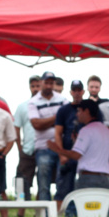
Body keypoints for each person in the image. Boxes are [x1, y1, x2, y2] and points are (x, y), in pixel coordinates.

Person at [47, 99, 109, 214]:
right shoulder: (105, 130)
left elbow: (76, 155)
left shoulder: (86, 130)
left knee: (86, 215)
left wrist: (58, 150)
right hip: (105, 178)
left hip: (88, 178)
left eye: (79, 111)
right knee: (103, 214)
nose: (77, 114)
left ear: (86, 111)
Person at [28, 71, 66, 201]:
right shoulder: (33, 102)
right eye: (47, 82)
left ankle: (61, 215)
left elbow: (68, 120)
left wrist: (47, 121)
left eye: (51, 83)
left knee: (63, 182)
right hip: (43, 147)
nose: (49, 86)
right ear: (41, 83)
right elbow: (36, 124)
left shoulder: (62, 99)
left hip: (61, 146)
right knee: (43, 185)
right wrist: (57, 118)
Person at [53, 80, 86, 210]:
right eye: (75, 90)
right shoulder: (64, 110)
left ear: (83, 92)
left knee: (83, 190)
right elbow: (57, 133)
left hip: (84, 155)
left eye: (79, 90)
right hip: (67, 153)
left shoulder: (89, 109)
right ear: (71, 92)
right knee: (63, 189)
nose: (77, 93)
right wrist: (61, 154)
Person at [13, 75, 41, 217]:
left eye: (38, 86)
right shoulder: (22, 107)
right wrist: (19, 147)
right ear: (30, 87)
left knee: (42, 181)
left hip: (43, 149)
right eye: (33, 86)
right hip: (27, 149)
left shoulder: (46, 104)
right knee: (22, 181)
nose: (36, 89)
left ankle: (38, 213)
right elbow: (16, 128)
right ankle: (20, 212)